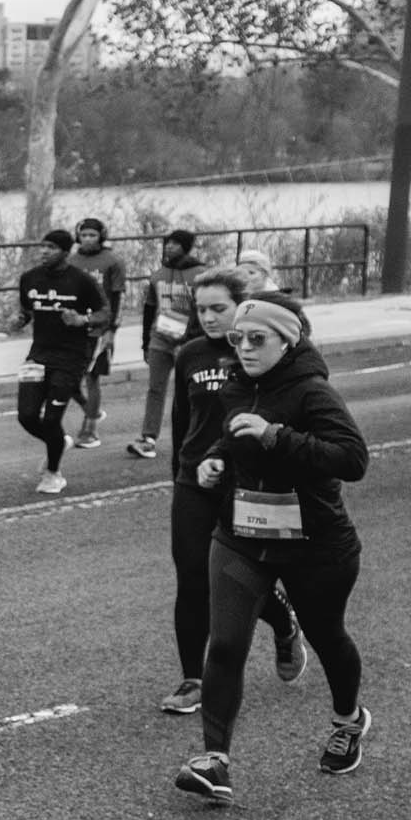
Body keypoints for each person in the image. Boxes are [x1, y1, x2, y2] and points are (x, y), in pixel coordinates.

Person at [172, 295, 370, 806]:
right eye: (238, 339)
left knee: (328, 638)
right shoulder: (239, 386)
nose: (244, 348)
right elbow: (233, 435)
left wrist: (275, 435)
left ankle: (349, 720)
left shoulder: (312, 391)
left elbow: (351, 458)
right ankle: (215, 761)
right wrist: (216, 459)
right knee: (228, 644)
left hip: (315, 544)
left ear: (289, 340)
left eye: (257, 339)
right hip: (241, 535)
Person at [157, 269, 301, 716]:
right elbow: (183, 418)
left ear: (243, 306)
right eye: (201, 309)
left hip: (248, 483)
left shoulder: (263, 353)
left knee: (239, 580)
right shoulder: (190, 353)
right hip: (195, 480)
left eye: (218, 308)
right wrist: (181, 468)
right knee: (192, 577)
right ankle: (192, 679)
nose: (209, 318)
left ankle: (282, 623)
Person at [14, 229, 108, 494]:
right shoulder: (29, 278)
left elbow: (105, 313)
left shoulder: (81, 281)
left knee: (52, 418)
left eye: (52, 247)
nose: (44, 251)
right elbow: (26, 309)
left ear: (66, 252)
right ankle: (59, 442)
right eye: (43, 246)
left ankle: (53, 474)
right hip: (38, 355)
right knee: (27, 416)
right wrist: (21, 320)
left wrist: (82, 320)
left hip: (70, 357)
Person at [125, 231, 202, 459]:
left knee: (190, 392)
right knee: (155, 389)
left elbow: (203, 310)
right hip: (160, 340)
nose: (169, 247)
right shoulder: (158, 275)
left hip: (189, 341)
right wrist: (145, 342)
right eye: (167, 243)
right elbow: (149, 309)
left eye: (176, 244)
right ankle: (148, 439)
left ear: (186, 247)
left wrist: (190, 341)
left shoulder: (200, 274)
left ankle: (194, 436)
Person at [68, 218, 129, 447]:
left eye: (93, 235)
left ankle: (90, 430)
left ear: (101, 236)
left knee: (92, 377)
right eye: (84, 235)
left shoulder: (112, 261)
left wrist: (113, 329)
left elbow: (119, 297)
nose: (88, 240)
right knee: (68, 378)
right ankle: (90, 409)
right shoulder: (72, 261)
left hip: (100, 329)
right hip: (75, 328)